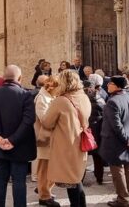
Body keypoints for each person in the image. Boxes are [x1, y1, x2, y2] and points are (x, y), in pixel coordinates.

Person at [0, 65, 36, 207]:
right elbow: (28, 120)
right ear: (20, 78)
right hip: (19, 146)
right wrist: (12, 139)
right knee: (19, 181)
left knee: (0, 180)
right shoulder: (25, 95)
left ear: (3, 78)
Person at [42, 69, 91, 207]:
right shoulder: (84, 97)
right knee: (76, 178)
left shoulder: (61, 101)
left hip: (66, 145)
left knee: (71, 182)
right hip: (81, 143)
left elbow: (47, 122)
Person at [99, 75, 129, 207]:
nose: (107, 85)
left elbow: (116, 126)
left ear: (117, 86)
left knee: (118, 170)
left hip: (115, 141)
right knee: (128, 167)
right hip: (128, 139)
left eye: (110, 83)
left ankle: (123, 199)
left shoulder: (112, 102)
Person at [34, 75, 60, 206]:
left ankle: (44, 189)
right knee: (44, 167)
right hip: (45, 137)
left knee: (52, 166)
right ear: (51, 87)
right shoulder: (42, 98)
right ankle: (44, 196)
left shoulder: (51, 97)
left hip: (52, 137)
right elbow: (44, 119)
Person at [83, 78, 105, 185]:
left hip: (85, 130)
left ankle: (80, 178)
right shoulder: (101, 98)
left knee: (83, 155)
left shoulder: (82, 99)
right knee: (97, 155)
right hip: (97, 130)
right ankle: (99, 177)